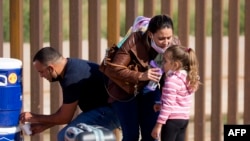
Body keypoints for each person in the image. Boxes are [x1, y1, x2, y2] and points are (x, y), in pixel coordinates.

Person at [103, 14, 181, 141]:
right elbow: (114, 68)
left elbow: (179, 71)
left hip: (149, 90)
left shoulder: (173, 46)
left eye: (169, 37)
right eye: (161, 38)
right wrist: (141, 75)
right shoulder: (134, 40)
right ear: (150, 35)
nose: (166, 42)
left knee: (152, 134)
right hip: (124, 90)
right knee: (131, 136)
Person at [19, 47, 120, 141]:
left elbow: (64, 117)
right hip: (106, 109)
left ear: (50, 68)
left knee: (66, 136)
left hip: (110, 111)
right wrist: (45, 125)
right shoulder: (69, 68)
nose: (41, 76)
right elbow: (67, 109)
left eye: (41, 72)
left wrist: (34, 117)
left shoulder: (71, 78)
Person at [151, 45, 201, 141]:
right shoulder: (188, 78)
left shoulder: (172, 80)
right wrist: (161, 105)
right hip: (183, 120)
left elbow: (169, 105)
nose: (162, 64)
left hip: (171, 121)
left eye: (165, 61)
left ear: (175, 65)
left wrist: (158, 125)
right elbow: (178, 101)